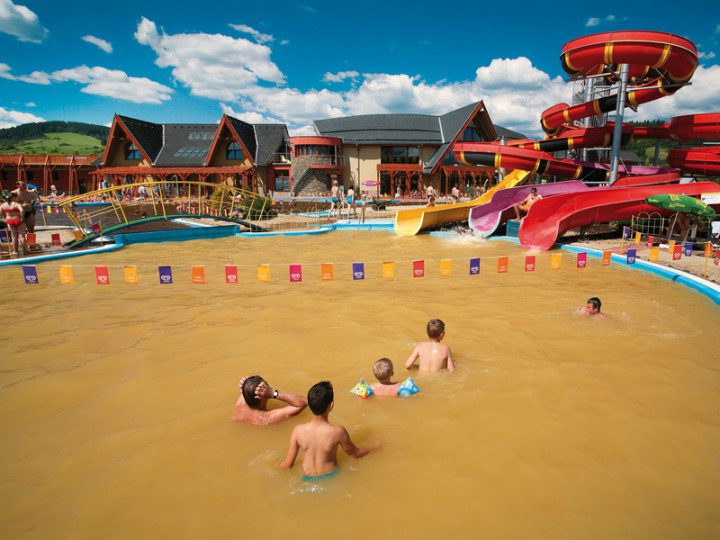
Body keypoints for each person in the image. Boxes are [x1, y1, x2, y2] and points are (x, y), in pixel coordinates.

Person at [279, 381, 378, 480]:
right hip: (332, 477)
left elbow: (288, 465)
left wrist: (276, 463)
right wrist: (374, 448)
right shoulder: (338, 432)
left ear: (309, 404)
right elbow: (356, 454)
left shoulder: (298, 431)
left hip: (307, 480)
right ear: (331, 405)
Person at [234, 375, 308, 426]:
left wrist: (245, 383)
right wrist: (273, 393)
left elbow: (248, 386)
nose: (268, 388)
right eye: (266, 388)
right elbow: (303, 403)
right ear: (260, 396)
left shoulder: (240, 403)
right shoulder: (264, 418)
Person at [0, 192, 27, 256]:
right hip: (18, 219)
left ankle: (15, 251)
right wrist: (22, 217)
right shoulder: (16, 204)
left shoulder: (3, 205)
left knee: (14, 237)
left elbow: (0, 213)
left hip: (9, 220)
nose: (18, 198)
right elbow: (22, 210)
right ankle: (25, 251)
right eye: (17, 197)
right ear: (13, 198)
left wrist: (6, 215)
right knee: (22, 236)